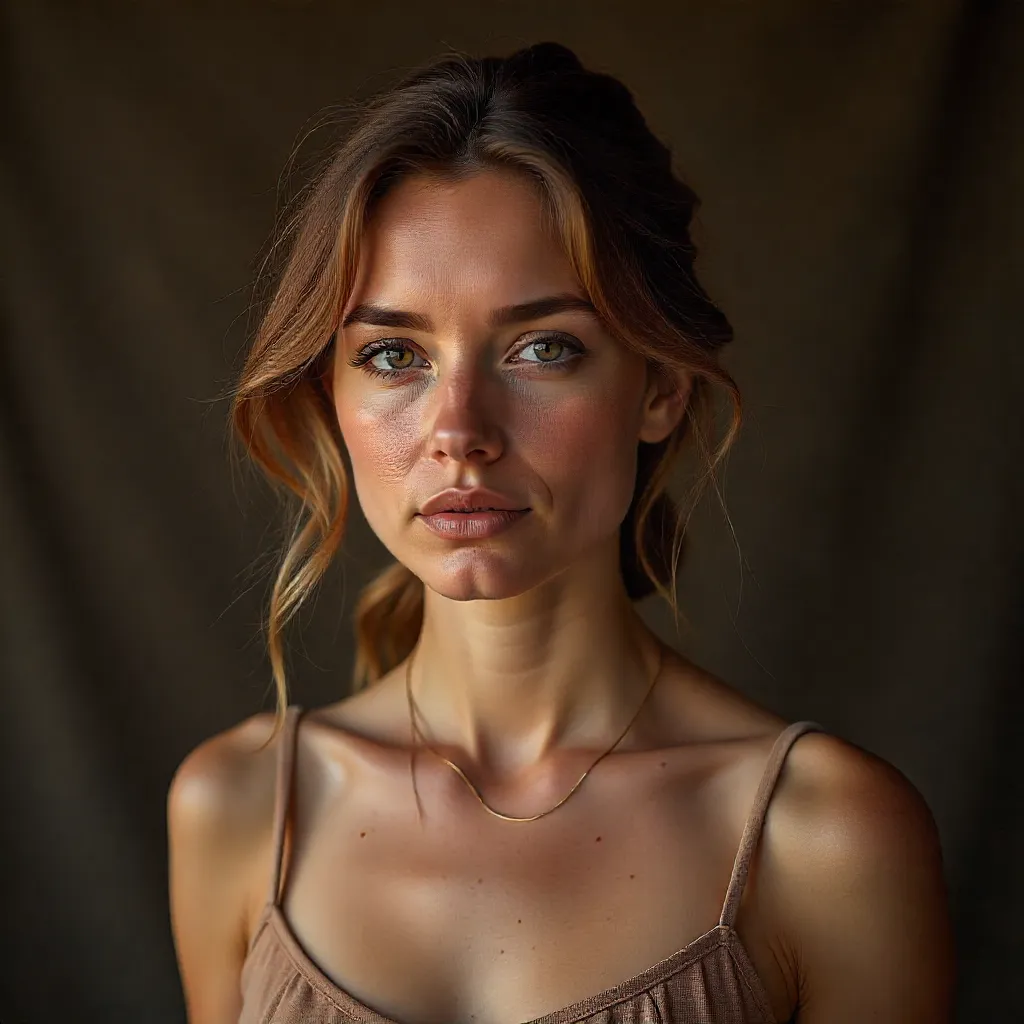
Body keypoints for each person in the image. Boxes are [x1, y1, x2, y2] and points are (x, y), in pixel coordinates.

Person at [167, 41, 953, 1024]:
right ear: (330, 392)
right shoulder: (239, 809)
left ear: (658, 388)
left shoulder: (823, 837)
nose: (458, 430)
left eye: (543, 347)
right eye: (394, 353)